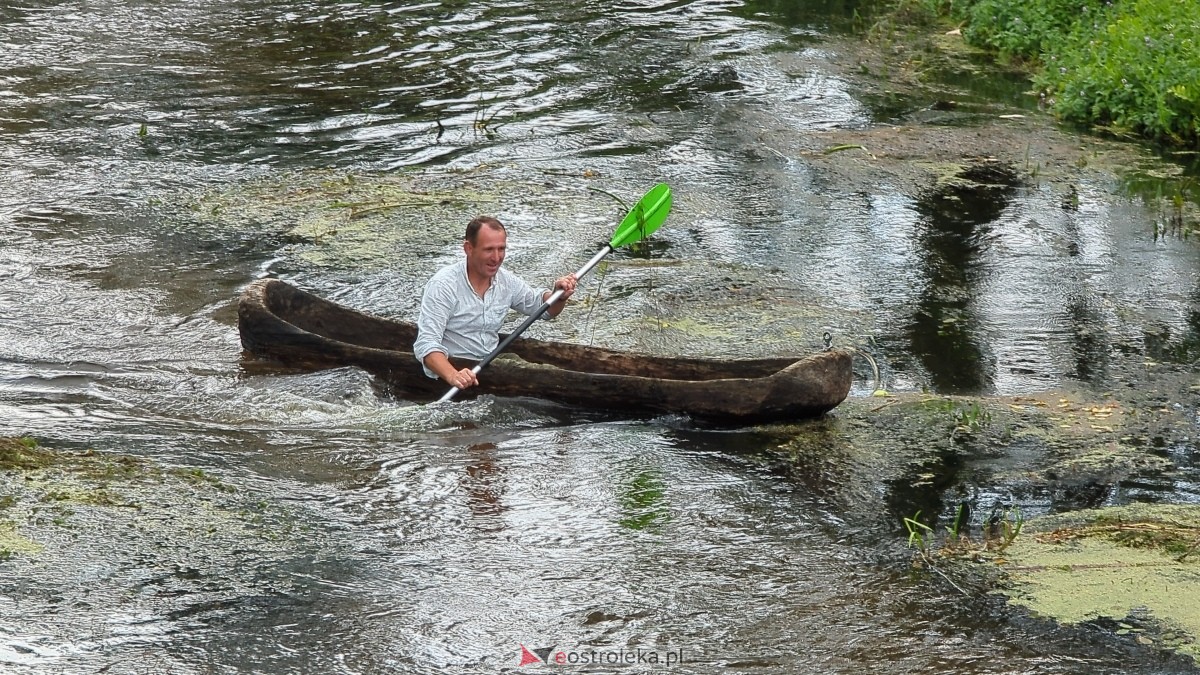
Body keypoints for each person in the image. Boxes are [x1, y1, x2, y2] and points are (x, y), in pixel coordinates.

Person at [414, 216, 577, 391]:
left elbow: (544, 310)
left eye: (501, 249)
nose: (496, 258)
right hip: (456, 367)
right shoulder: (443, 286)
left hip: (491, 361)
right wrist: (454, 375)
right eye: (489, 250)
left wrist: (558, 295)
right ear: (468, 248)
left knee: (546, 373)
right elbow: (426, 345)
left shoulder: (506, 281)